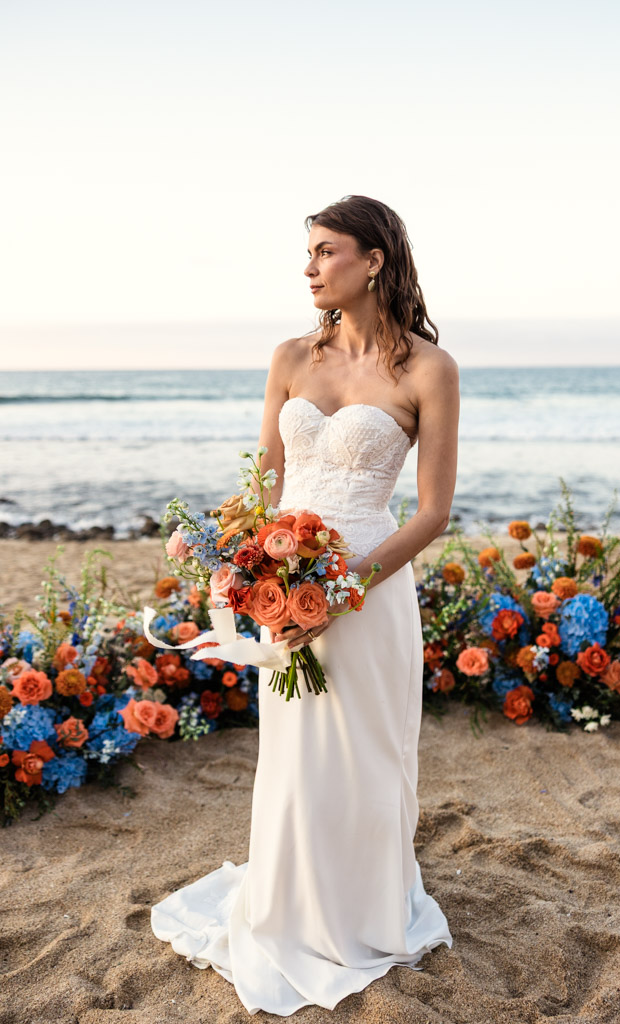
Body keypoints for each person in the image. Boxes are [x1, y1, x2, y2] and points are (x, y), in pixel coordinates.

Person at [150, 195, 461, 1015]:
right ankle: (288, 903)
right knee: (295, 755)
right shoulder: (289, 356)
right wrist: (220, 550)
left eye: (325, 251)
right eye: (310, 253)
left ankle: (359, 909)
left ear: (374, 260)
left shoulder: (427, 369)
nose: (309, 267)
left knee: (364, 755)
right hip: (281, 589)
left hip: (370, 589)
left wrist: (347, 588)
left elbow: (433, 511)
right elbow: (264, 485)